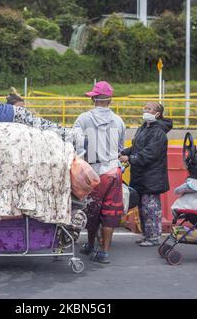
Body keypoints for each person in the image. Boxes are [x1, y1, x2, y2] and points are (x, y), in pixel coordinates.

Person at [73, 81, 126, 264]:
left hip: (92, 172)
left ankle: (90, 244)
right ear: (110, 100)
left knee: (91, 210)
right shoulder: (119, 121)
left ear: (94, 99)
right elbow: (121, 148)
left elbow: (77, 146)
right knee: (110, 211)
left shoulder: (83, 119)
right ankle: (104, 252)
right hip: (113, 171)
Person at [0, 79, 75, 144]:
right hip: (16, 112)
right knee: (44, 125)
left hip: (16, 116)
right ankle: (69, 134)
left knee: (44, 128)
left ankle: (71, 136)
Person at [119, 102, 172, 247]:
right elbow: (137, 147)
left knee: (151, 208)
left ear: (157, 114)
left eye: (149, 109)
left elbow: (150, 154)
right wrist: (125, 152)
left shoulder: (158, 132)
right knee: (142, 208)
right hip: (141, 176)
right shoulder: (145, 127)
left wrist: (130, 158)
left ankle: (154, 237)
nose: (145, 110)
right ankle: (147, 235)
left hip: (151, 177)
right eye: (145, 108)